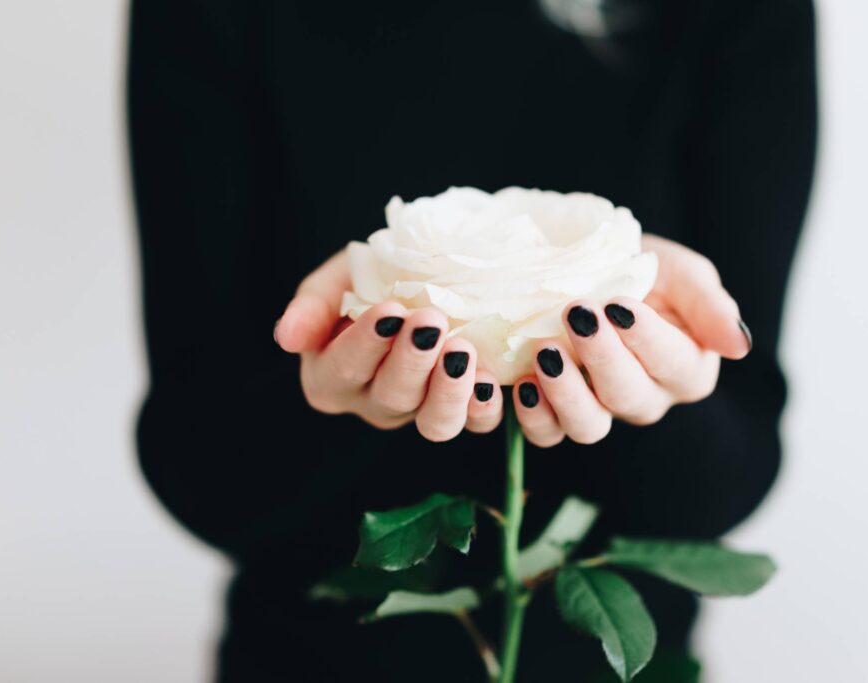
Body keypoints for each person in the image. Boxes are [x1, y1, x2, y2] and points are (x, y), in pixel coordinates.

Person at [128, 0, 816, 680]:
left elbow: (733, 469)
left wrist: (652, 388)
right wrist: (333, 392)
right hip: (307, 656)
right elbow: (199, 464)